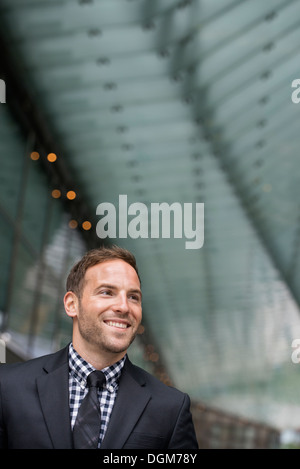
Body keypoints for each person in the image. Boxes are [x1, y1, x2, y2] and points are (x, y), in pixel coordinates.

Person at [0, 245, 198, 449]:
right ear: (71, 304)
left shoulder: (171, 408)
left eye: (133, 297)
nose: (123, 306)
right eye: (107, 292)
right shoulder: (7, 386)